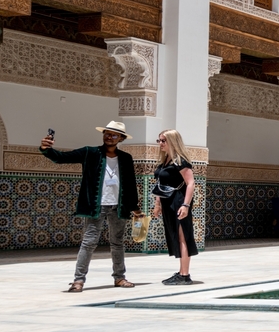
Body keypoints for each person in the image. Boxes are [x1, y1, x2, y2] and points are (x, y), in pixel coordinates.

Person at [39, 120, 143, 292]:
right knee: (88, 242)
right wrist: (46, 149)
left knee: (117, 243)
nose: (109, 137)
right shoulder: (90, 152)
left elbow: (131, 185)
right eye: (107, 133)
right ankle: (78, 280)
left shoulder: (126, 158)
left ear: (121, 138)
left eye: (114, 135)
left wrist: (135, 208)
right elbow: (61, 158)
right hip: (96, 206)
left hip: (119, 206)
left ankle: (119, 278)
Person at [152, 130, 198, 285]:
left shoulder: (181, 162)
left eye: (163, 140)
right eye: (159, 140)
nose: (160, 144)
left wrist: (185, 205)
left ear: (172, 141)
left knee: (183, 236)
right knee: (176, 236)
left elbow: (190, 183)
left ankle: (185, 275)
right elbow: (160, 185)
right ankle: (181, 271)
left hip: (178, 202)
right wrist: (157, 204)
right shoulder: (165, 161)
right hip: (167, 203)